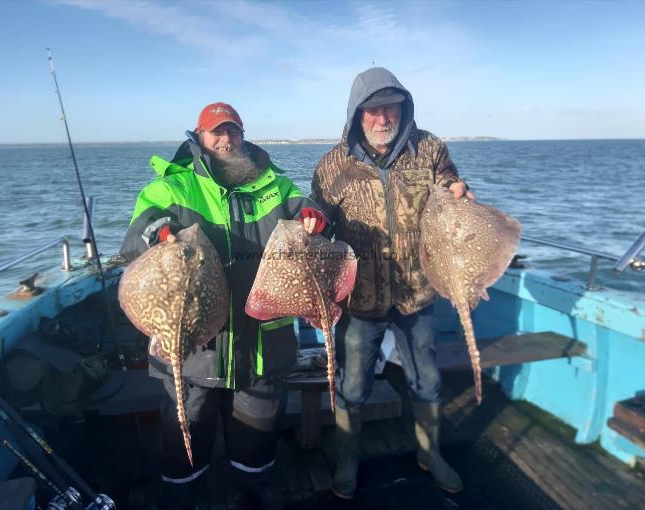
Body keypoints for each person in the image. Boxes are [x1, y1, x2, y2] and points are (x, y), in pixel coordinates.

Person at [121, 102, 326, 510]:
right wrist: (157, 231)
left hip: (262, 348)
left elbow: (306, 212)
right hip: (193, 350)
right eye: (216, 132)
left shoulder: (275, 184)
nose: (225, 139)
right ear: (199, 136)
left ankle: (251, 497)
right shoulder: (173, 186)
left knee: (256, 447)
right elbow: (134, 237)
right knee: (183, 444)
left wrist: (314, 215)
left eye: (232, 131)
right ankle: (181, 498)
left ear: (243, 135)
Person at [310, 67, 474, 499]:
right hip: (360, 300)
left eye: (392, 109)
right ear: (356, 114)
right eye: (374, 110)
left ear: (404, 109)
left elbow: (450, 184)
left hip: (417, 293)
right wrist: (310, 225)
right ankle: (348, 458)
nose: (384, 118)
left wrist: (459, 188)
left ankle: (430, 452)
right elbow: (320, 226)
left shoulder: (429, 149)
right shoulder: (331, 166)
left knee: (428, 379)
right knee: (352, 385)